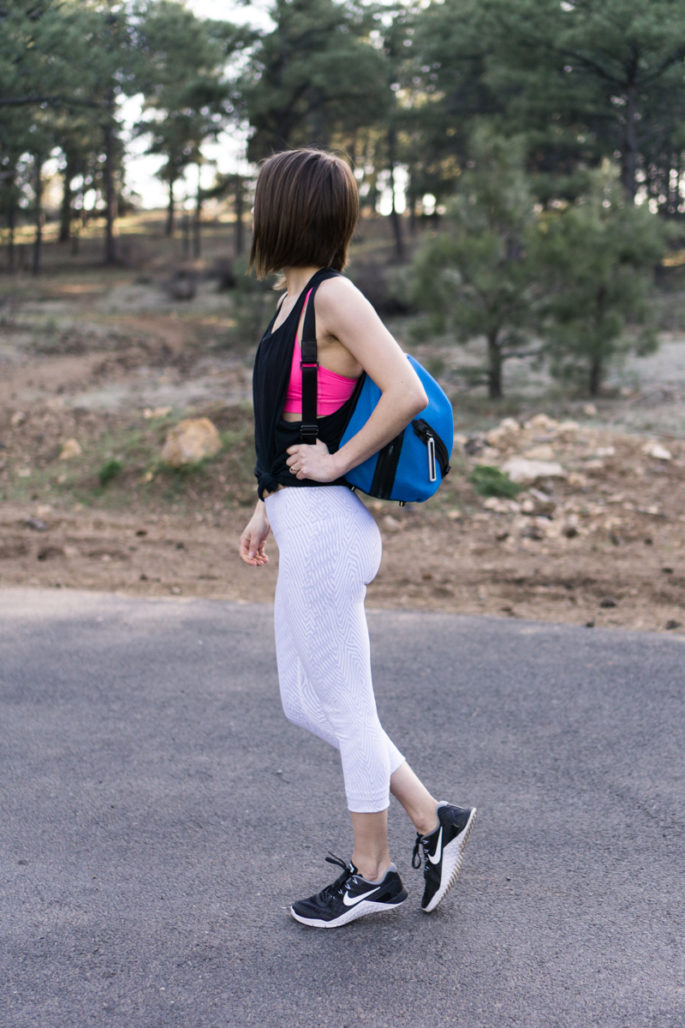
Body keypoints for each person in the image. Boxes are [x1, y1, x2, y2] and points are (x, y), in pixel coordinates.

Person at [239, 148, 476, 929]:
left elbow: (404, 391)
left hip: (330, 530)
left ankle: (372, 873)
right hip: (300, 520)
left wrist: (339, 459)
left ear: (289, 210)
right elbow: (288, 417)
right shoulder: (289, 299)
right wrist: (264, 501)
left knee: (341, 702)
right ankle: (428, 814)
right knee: (305, 702)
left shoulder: (335, 296)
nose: (253, 210)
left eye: (262, 198)